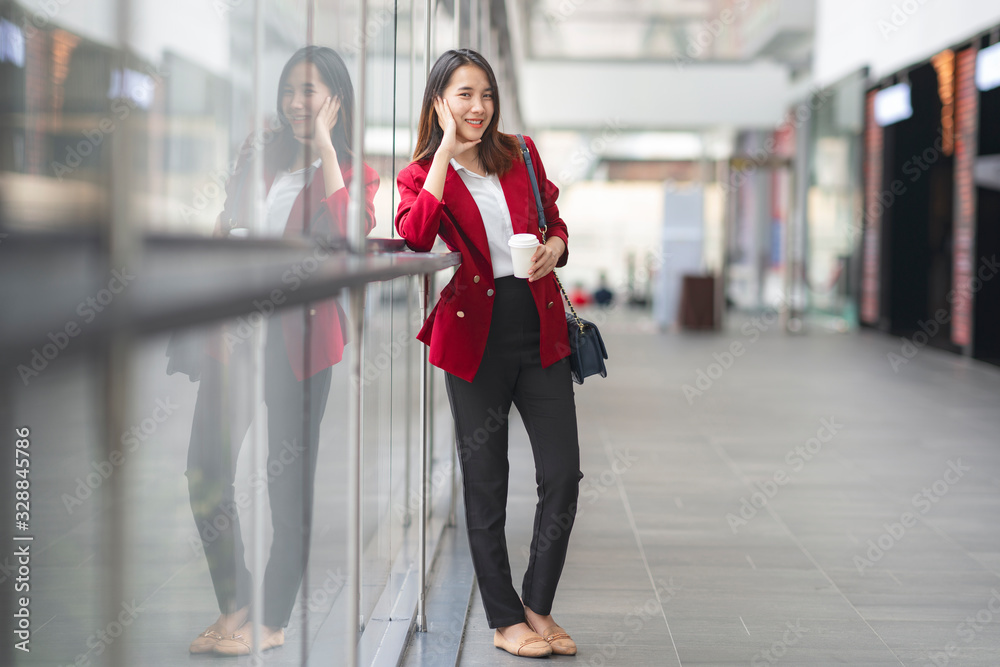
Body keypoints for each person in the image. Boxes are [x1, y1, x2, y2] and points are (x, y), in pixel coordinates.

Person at [183, 46, 378, 657]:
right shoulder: (254, 155)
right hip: (236, 336)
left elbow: (349, 235)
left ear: (337, 101)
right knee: (205, 468)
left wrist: (325, 148)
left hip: (301, 342)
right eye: (291, 89)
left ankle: (273, 615)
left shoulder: (354, 172)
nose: (297, 102)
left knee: (288, 483)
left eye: (312, 91)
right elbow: (225, 224)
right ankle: (237, 599)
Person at [395, 48, 582, 659]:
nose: (479, 107)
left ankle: (537, 604)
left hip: (539, 327)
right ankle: (504, 620)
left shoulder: (521, 153)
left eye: (486, 95)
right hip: (474, 335)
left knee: (562, 472)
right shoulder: (421, 174)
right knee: (487, 480)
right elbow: (415, 234)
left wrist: (555, 246)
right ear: (439, 104)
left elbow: (555, 219)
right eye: (464, 95)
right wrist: (444, 153)